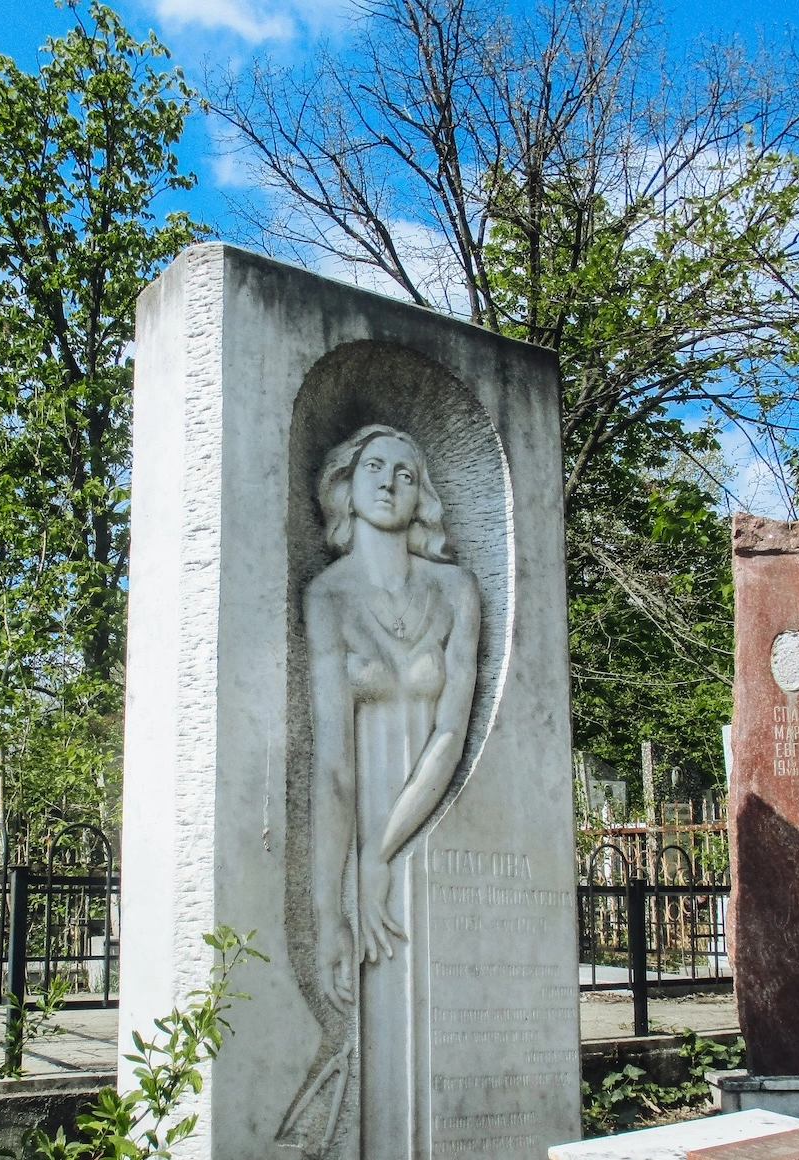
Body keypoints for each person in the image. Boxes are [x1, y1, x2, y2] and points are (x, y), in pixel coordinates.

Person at [302, 424, 480, 1156]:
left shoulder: (456, 590)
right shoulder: (329, 595)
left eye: (406, 473)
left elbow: (452, 732)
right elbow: (332, 767)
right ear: (346, 486)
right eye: (373, 467)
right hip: (353, 836)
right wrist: (331, 911)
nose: (387, 482)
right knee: (373, 1041)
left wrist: (382, 855)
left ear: (421, 496)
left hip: (420, 826)